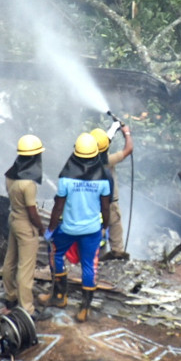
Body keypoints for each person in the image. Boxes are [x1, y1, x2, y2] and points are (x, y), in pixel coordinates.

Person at [40, 133, 111, 322]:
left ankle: (60, 296)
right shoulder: (103, 180)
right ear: (96, 154)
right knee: (89, 266)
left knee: (56, 253)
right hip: (92, 231)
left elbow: (58, 206)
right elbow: (105, 207)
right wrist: (105, 227)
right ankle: (84, 309)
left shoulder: (65, 180)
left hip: (69, 229)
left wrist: (51, 229)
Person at [1, 135, 47, 320]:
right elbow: (32, 212)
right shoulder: (28, 184)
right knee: (26, 267)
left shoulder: (10, 176)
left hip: (13, 219)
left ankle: (10, 296)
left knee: (10, 260)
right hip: (25, 225)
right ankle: (27, 308)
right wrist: (41, 228)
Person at [91, 122, 133, 261]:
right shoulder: (106, 161)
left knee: (95, 236)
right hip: (109, 204)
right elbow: (128, 150)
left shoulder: (86, 159)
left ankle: (96, 259)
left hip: (93, 204)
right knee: (114, 231)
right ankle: (117, 257)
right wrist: (126, 133)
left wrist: (114, 128)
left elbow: (102, 143)